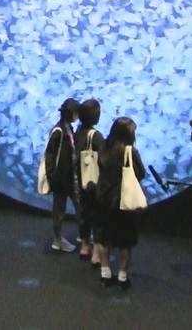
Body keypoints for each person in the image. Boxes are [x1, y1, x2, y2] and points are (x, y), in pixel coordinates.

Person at [94, 116, 146, 288]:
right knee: (125, 240)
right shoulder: (130, 151)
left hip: (104, 198)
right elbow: (141, 173)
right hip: (124, 201)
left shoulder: (103, 148)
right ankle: (123, 276)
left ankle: (105, 273)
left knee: (103, 237)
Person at [45, 98, 81, 253]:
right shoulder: (58, 131)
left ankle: (83, 234)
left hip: (70, 177)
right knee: (59, 209)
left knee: (77, 205)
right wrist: (53, 177)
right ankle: (57, 239)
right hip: (61, 179)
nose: (78, 116)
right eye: (76, 113)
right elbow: (50, 156)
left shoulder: (69, 128)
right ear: (71, 113)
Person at [74, 98, 105, 265]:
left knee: (84, 213)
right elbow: (104, 158)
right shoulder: (96, 136)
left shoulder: (78, 132)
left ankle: (85, 247)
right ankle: (97, 255)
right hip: (94, 181)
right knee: (98, 216)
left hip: (81, 180)